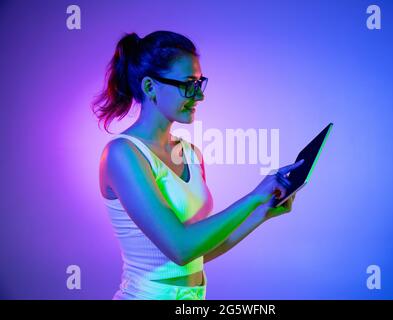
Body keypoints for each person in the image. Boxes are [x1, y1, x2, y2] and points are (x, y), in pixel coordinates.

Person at [91, 30, 303, 300]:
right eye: (188, 84)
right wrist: (253, 197)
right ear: (149, 87)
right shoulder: (122, 154)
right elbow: (181, 248)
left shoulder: (190, 154)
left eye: (199, 83)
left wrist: (261, 211)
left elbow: (199, 251)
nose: (199, 96)